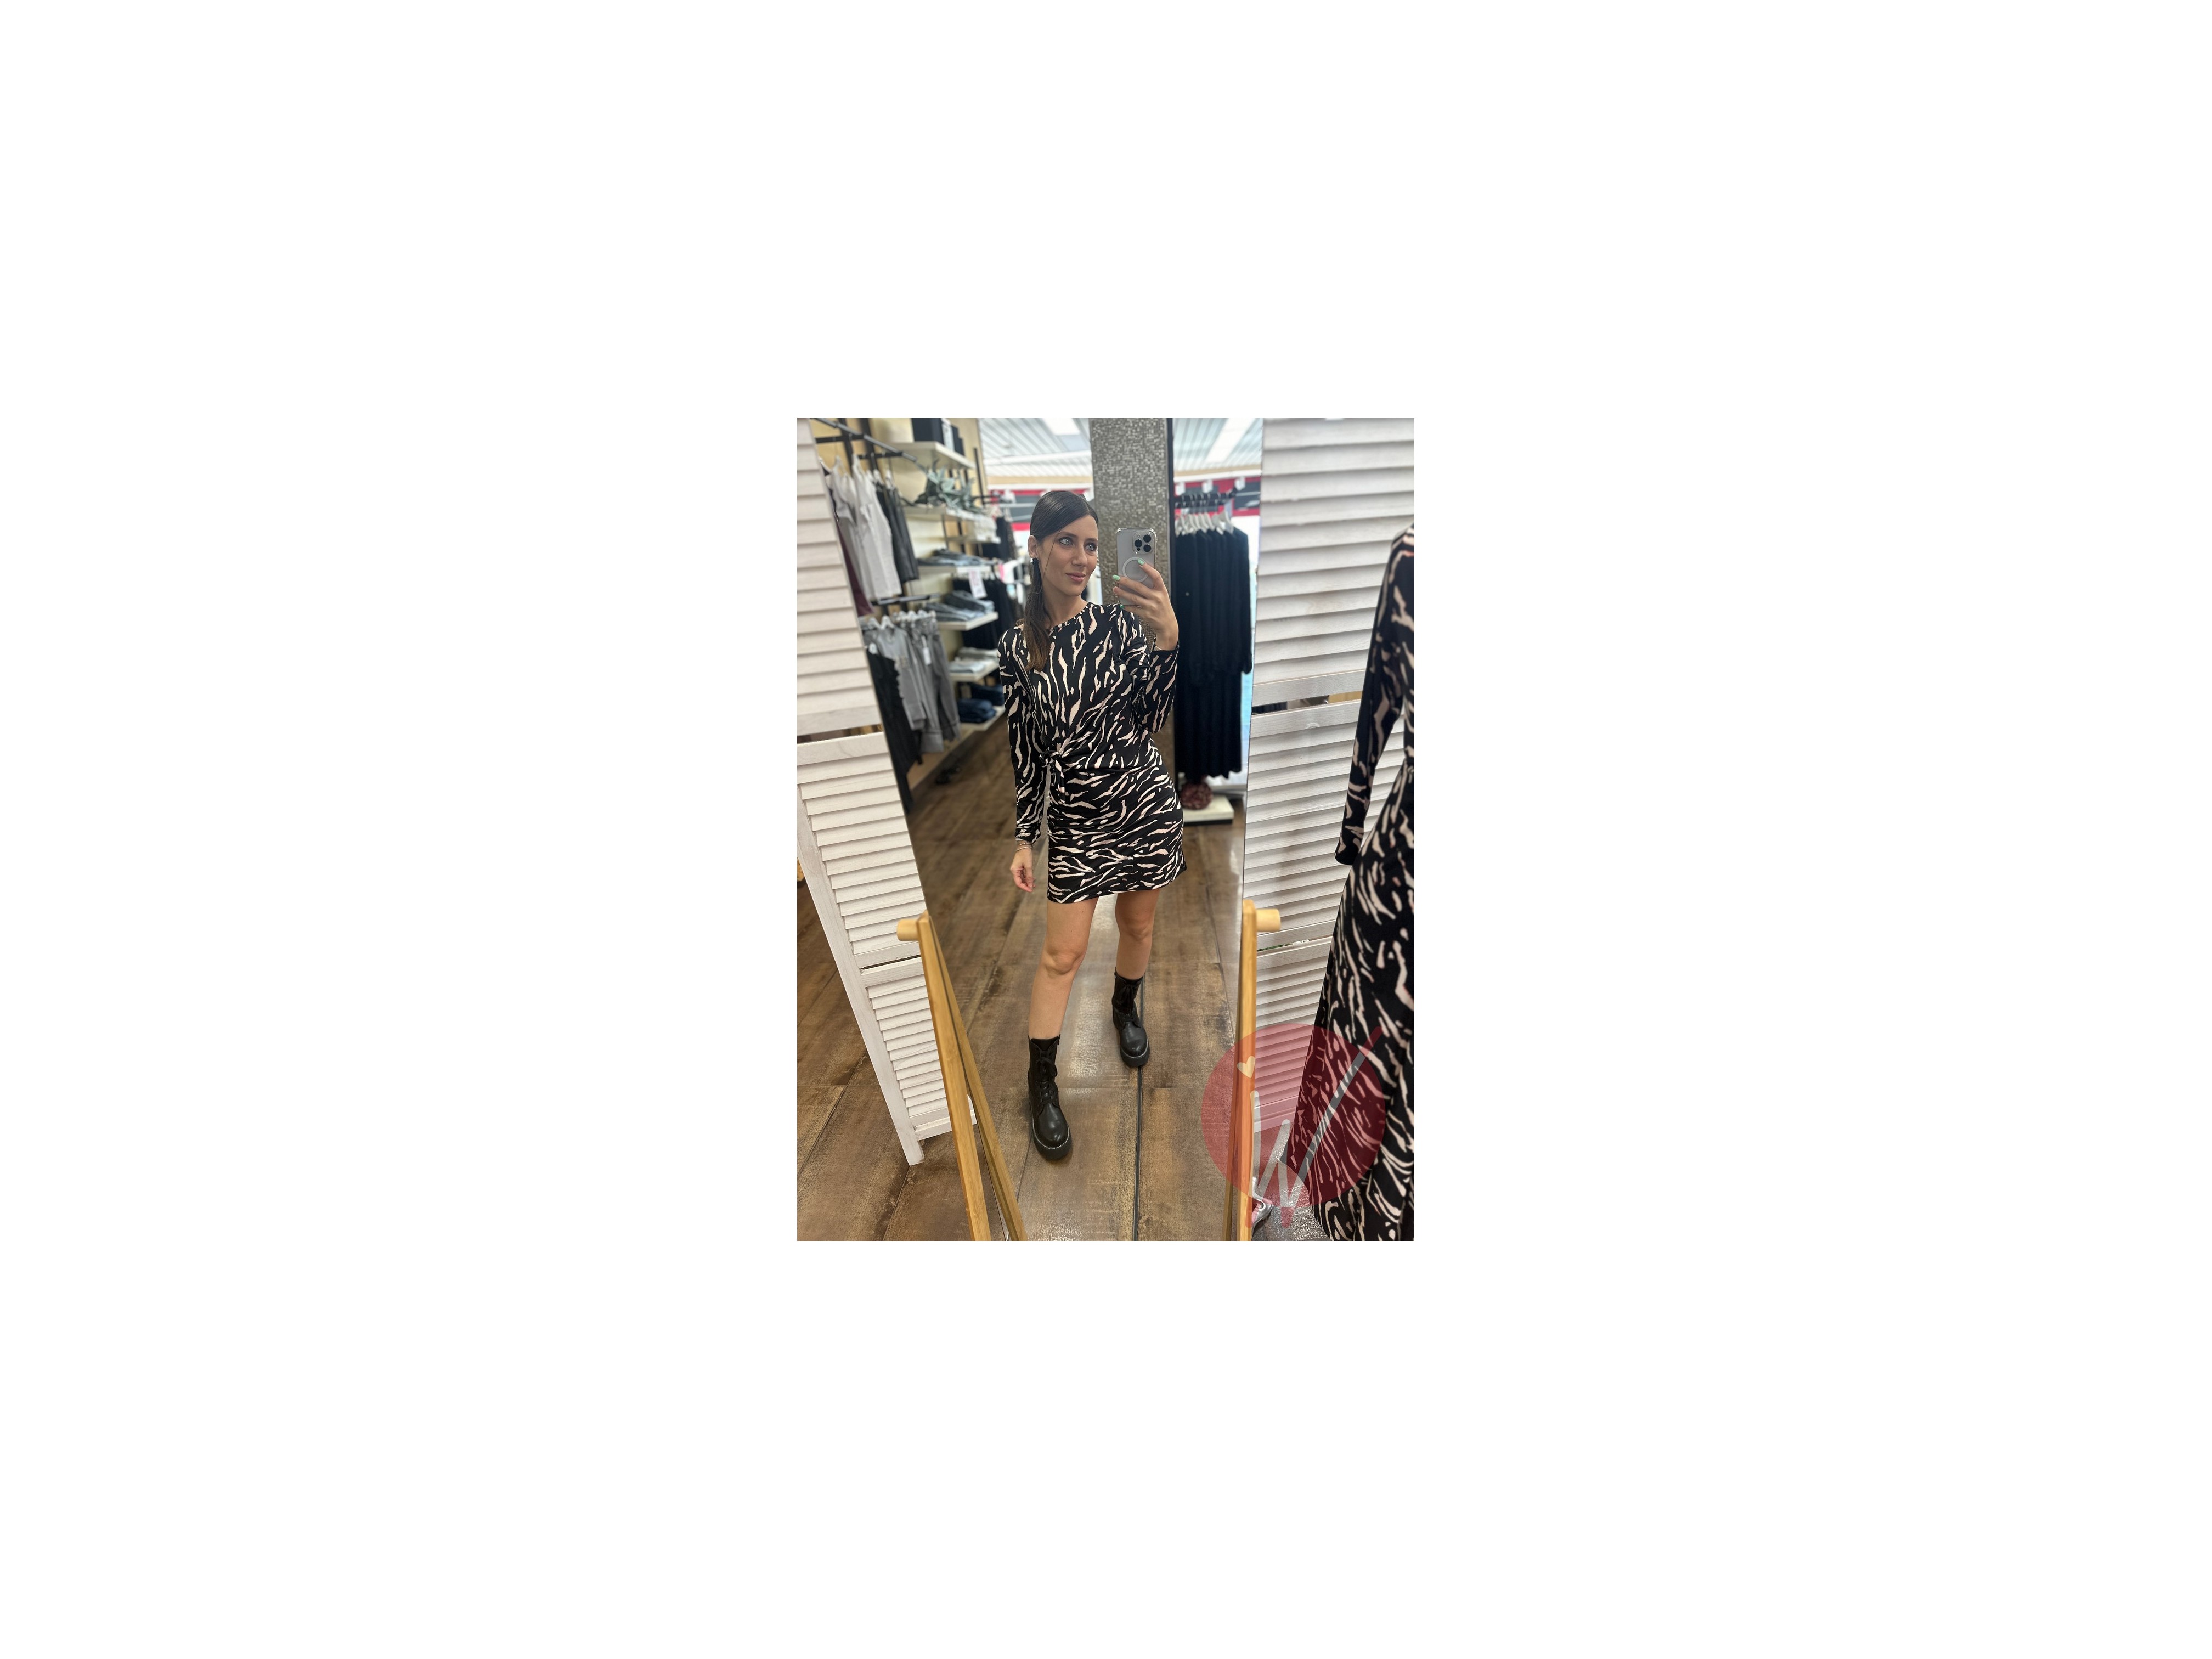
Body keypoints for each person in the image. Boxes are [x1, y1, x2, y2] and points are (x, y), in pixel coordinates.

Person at [997, 489, 1182, 1160]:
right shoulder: (1018, 646)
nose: (1082, 558)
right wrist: (1027, 834)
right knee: (1062, 956)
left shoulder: (1118, 626)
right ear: (1036, 547)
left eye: (1092, 545)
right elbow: (1026, 748)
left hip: (1141, 803)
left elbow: (1151, 719)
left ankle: (1125, 1010)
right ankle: (1041, 1081)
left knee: (1138, 926)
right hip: (1076, 818)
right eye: (1067, 542)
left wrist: (1167, 641)